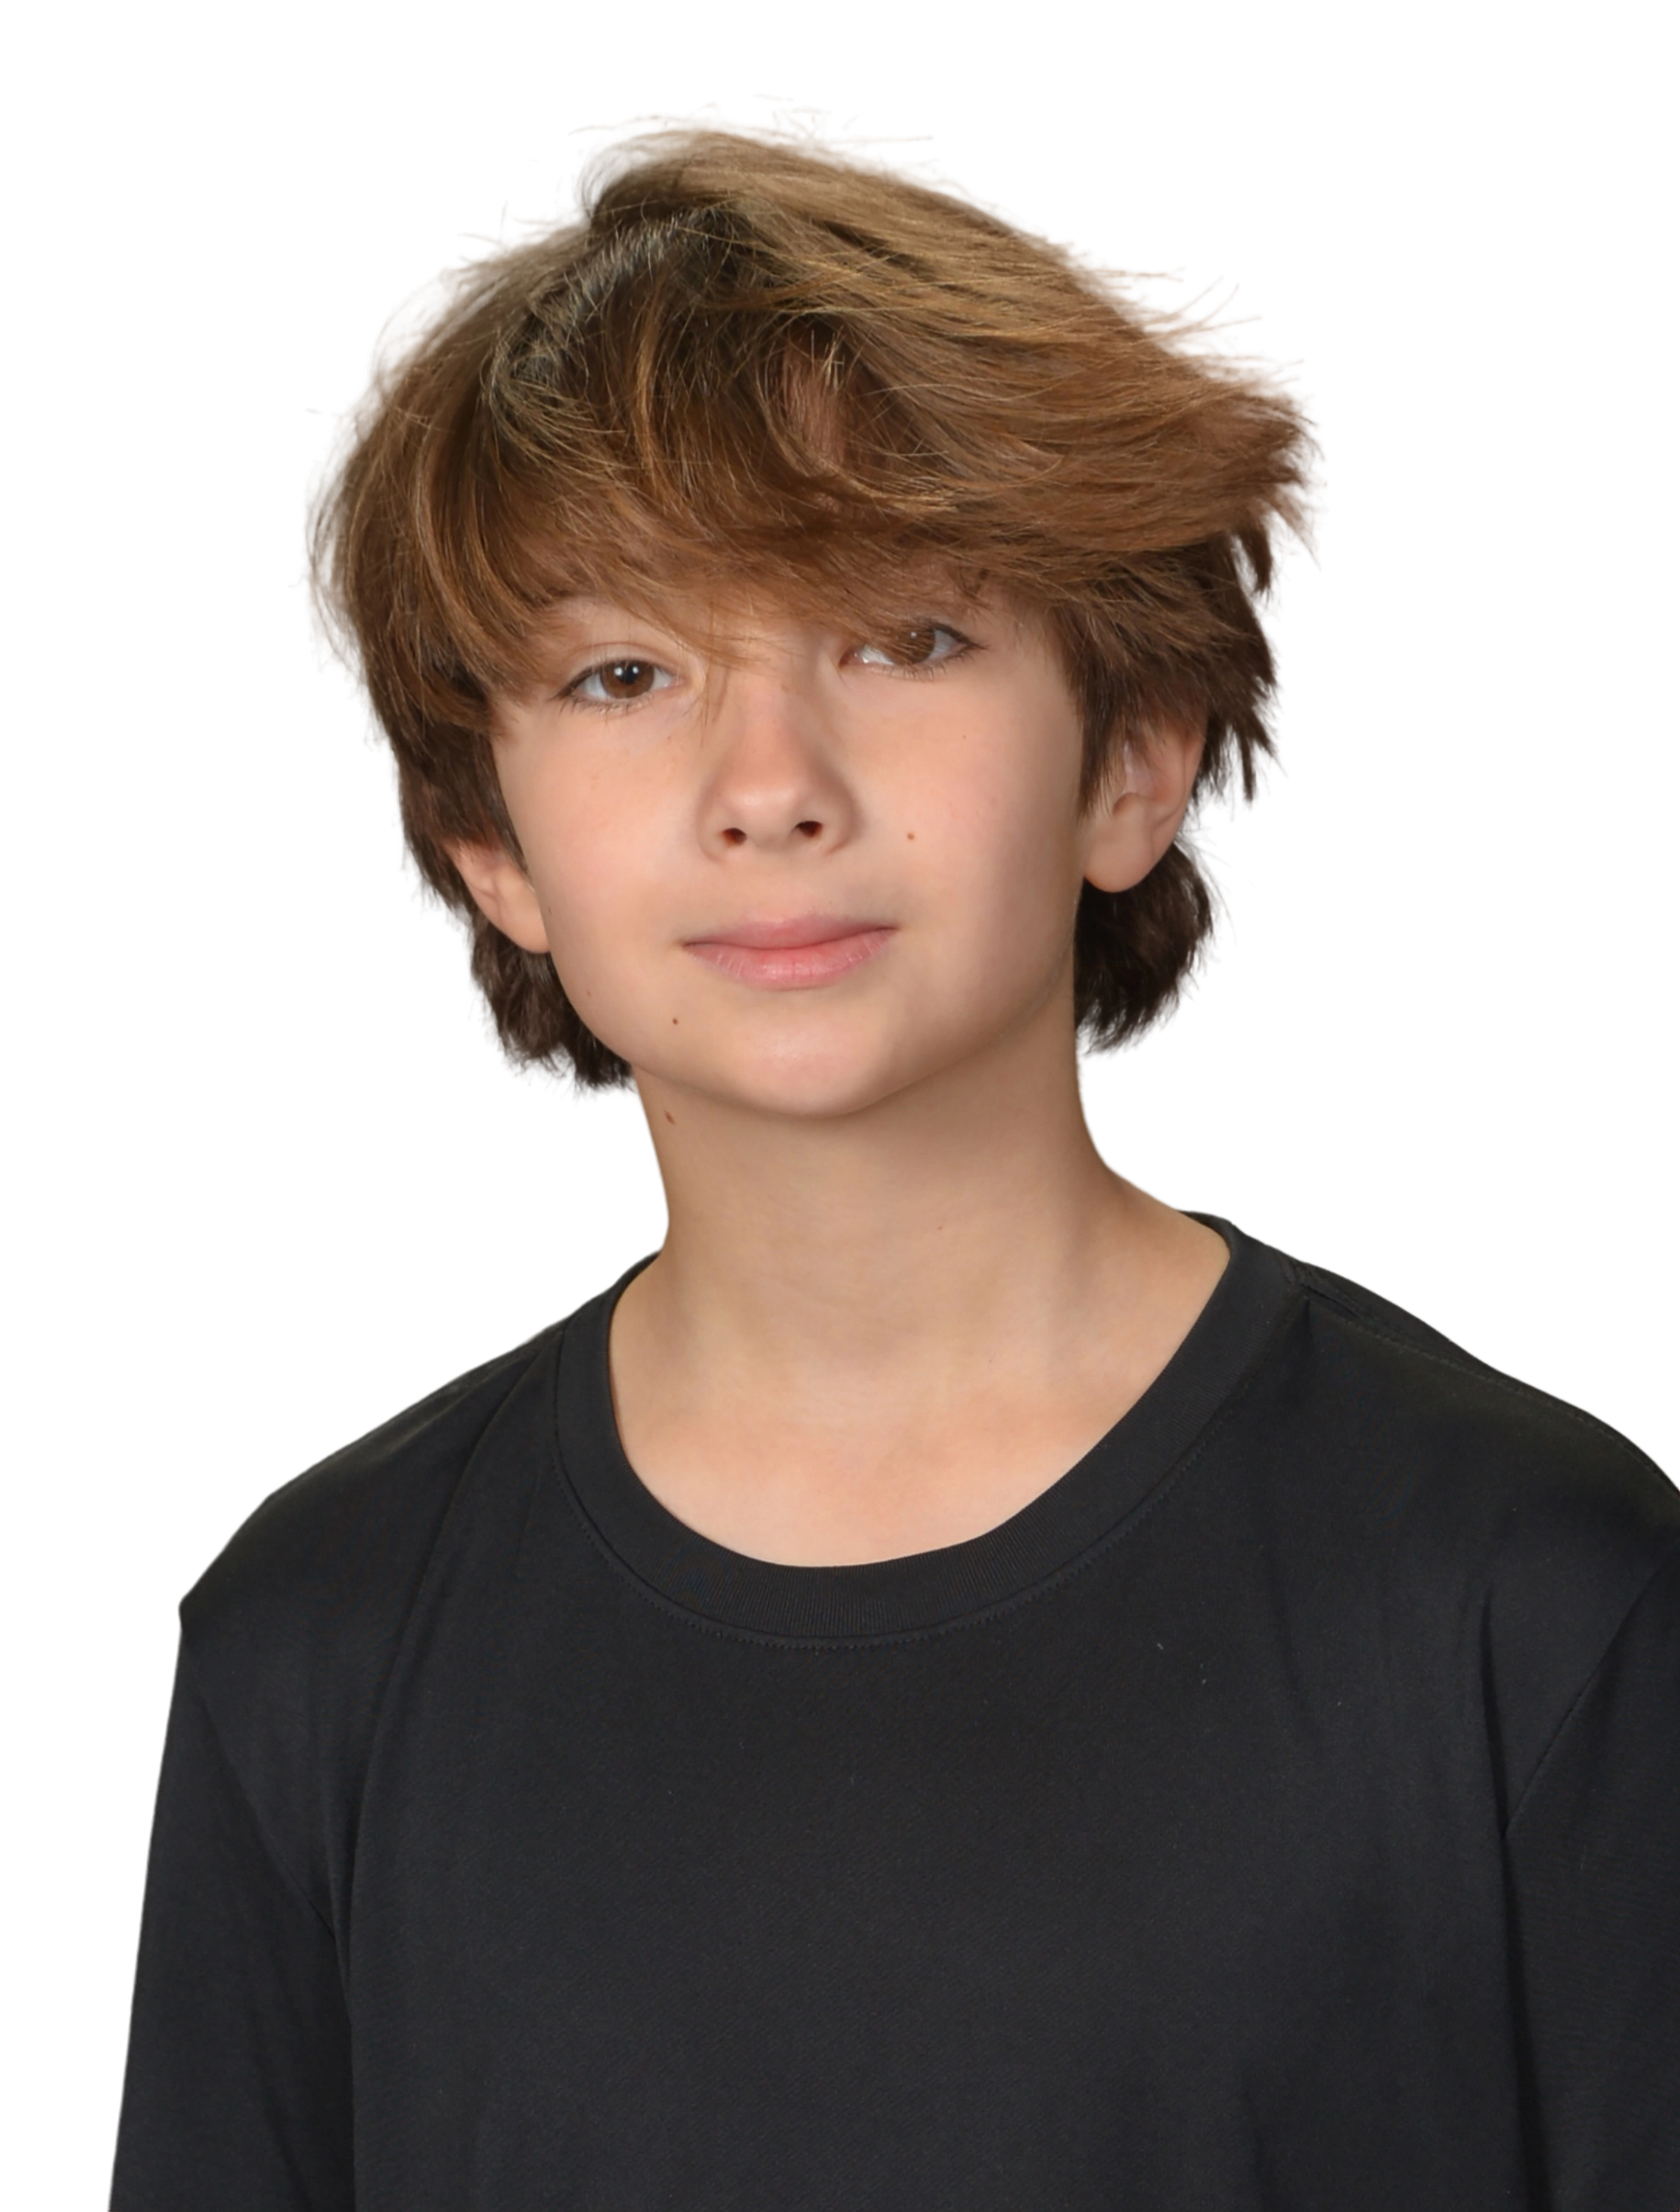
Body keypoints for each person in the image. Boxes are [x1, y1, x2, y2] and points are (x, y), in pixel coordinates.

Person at [105, 98, 1680, 2211]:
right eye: (627, 670)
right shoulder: (313, 1656)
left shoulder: (1536, 1599)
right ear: (491, 844)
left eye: (904, 638)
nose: (770, 785)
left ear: (1132, 758)